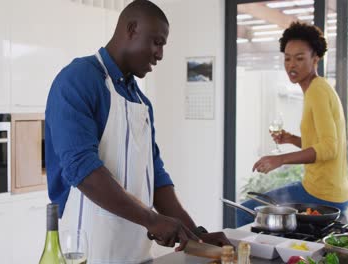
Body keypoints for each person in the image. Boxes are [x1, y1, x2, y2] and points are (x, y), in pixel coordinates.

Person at [44, 0, 230, 262]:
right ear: (132, 29)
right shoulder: (78, 80)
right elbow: (82, 169)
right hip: (88, 248)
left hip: (136, 250)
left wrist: (196, 235)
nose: (160, 54)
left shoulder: (141, 102)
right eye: (157, 42)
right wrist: (151, 219)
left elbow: (156, 177)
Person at [237, 22, 348, 227]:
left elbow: (329, 149)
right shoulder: (317, 89)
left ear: (315, 58)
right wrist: (291, 139)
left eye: (299, 58)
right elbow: (319, 144)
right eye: (287, 58)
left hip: (322, 193)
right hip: (326, 189)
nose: (291, 65)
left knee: (245, 212)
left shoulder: (317, 91)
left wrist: (280, 159)